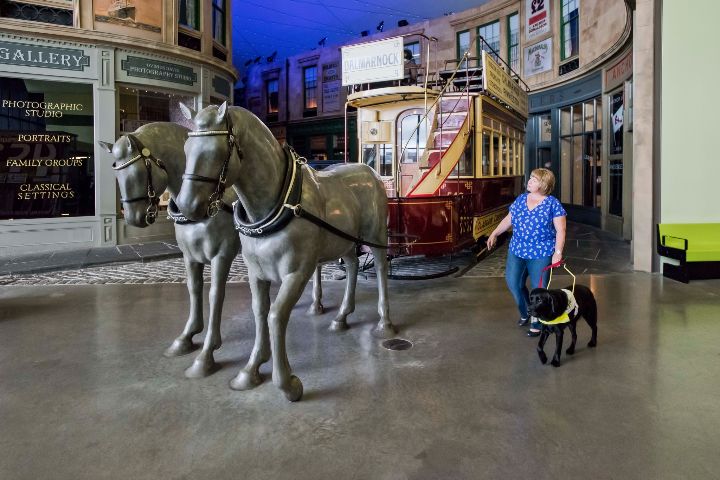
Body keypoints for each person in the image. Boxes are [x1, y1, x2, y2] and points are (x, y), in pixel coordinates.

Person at [487, 168, 567, 337]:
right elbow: (509, 219)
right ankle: (526, 312)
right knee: (514, 283)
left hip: (541, 252)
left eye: (534, 179)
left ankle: (537, 321)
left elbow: (561, 230)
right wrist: (494, 233)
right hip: (517, 250)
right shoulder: (521, 199)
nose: (529, 181)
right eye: (530, 178)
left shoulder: (553, 203)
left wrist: (557, 252)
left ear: (544, 184)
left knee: (539, 289)